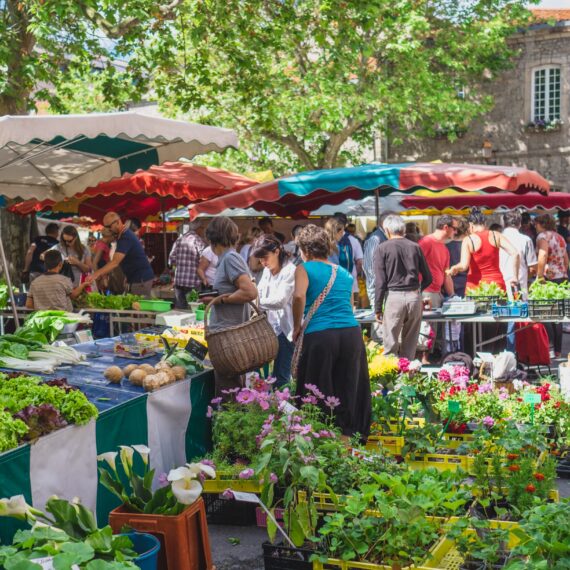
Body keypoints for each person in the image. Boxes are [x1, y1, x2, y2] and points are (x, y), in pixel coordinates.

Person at [292, 224, 371, 438]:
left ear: (305, 250)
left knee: (317, 387)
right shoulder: (344, 273)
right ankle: (347, 438)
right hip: (351, 333)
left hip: (320, 335)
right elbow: (349, 304)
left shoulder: (303, 268)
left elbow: (299, 296)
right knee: (347, 386)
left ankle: (318, 435)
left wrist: (297, 326)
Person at [203, 217, 258, 396]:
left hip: (229, 338)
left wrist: (222, 300)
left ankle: (231, 425)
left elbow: (250, 292)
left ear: (212, 238)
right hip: (226, 336)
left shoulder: (230, 258)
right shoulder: (225, 258)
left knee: (229, 395)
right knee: (231, 391)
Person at [374, 215, 433, 360]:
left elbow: (380, 282)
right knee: (410, 345)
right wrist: (418, 291)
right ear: (403, 229)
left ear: (387, 230)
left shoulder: (382, 248)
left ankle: (390, 380)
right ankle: (407, 378)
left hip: (394, 297)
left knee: (390, 345)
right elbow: (428, 278)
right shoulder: (415, 247)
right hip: (414, 297)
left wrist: (377, 308)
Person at [252, 235, 296, 387]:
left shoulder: (290, 271)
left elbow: (280, 301)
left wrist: (255, 302)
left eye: (265, 257)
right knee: (259, 375)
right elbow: (259, 293)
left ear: (277, 252)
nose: (263, 262)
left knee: (281, 377)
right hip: (268, 330)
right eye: (260, 259)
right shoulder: (266, 271)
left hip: (286, 331)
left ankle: (282, 409)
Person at [448, 208, 520, 293]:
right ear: (485, 223)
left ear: (471, 225)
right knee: (497, 307)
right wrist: (515, 276)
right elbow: (515, 253)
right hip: (496, 285)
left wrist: (455, 267)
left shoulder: (468, 240)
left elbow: (464, 265)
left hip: (475, 287)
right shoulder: (496, 235)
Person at [88, 212, 155, 297]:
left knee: (138, 307)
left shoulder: (126, 236)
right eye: (106, 227)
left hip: (141, 279)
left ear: (117, 222)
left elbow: (114, 262)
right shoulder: (122, 235)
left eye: (109, 227)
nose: (108, 229)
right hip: (135, 278)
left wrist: (95, 274)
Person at [500, 211, 538, 352]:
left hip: (497, 285)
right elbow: (532, 266)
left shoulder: (496, 238)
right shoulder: (525, 240)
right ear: (520, 224)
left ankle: (507, 354)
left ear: (505, 223)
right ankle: (514, 354)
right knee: (516, 321)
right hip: (519, 286)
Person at [536, 213, 569, 357]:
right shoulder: (560, 237)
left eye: (536, 224)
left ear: (541, 224)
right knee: (558, 315)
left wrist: (539, 275)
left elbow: (542, 255)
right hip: (562, 277)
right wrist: (563, 271)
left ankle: (549, 349)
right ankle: (558, 350)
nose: (535, 226)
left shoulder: (543, 236)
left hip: (549, 278)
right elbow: (566, 259)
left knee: (547, 313)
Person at [419, 215, 456, 309]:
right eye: (454, 228)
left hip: (437, 294)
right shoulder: (426, 242)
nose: (456, 232)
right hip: (426, 294)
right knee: (428, 323)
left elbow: (446, 275)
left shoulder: (444, 249)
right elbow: (414, 266)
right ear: (446, 227)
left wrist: (453, 296)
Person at [168, 220, 206, 308]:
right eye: (202, 228)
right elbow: (204, 260)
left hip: (179, 281)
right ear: (198, 228)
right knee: (193, 310)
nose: (203, 230)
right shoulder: (198, 240)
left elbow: (171, 259)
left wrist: (181, 265)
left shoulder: (179, 239)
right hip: (193, 282)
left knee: (180, 311)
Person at [333, 213, 364, 303]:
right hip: (350, 279)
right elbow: (360, 262)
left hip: (331, 281)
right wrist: (355, 273)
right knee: (349, 308)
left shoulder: (327, 240)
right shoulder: (353, 240)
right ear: (345, 224)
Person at [446, 217, 469, 297]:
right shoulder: (470, 246)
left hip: (449, 284)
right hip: (466, 283)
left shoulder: (446, 246)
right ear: (467, 231)